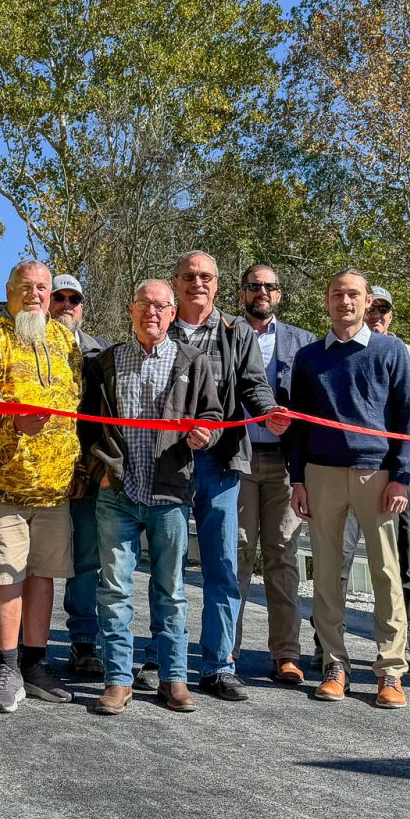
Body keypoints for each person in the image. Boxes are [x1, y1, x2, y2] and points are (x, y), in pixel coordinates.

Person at [79, 280, 222, 716]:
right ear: (131, 308)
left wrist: (206, 434)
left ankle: (174, 679)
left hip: (170, 494)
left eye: (161, 306)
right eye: (145, 304)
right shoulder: (106, 361)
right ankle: (118, 681)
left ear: (173, 313)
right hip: (118, 493)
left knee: (171, 592)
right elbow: (86, 423)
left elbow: (214, 416)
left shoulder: (192, 361)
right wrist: (100, 470)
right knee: (114, 590)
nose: (153, 313)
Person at [287, 269, 410, 709]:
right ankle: (334, 663)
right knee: (325, 573)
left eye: (353, 295)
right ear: (326, 301)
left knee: (386, 573)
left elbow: (407, 416)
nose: (345, 302)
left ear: (367, 303)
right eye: (337, 294)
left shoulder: (390, 349)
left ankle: (390, 670)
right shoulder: (309, 358)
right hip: (322, 473)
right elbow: (300, 424)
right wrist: (299, 479)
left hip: (377, 474)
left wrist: (401, 474)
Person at [0, 261, 83, 712]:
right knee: (7, 575)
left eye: (43, 288)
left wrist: (78, 468)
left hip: (54, 488)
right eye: (26, 287)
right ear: (10, 290)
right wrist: (14, 417)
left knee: (43, 574)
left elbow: (77, 400)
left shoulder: (62, 338)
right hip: (1, 484)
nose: (35, 295)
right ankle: (7, 665)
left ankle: (35, 663)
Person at [167, 251, 281, 702]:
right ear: (176, 282)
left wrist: (269, 412)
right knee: (168, 565)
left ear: (218, 285)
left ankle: (218, 665)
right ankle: (167, 660)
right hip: (169, 463)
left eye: (206, 277)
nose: (198, 283)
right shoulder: (159, 326)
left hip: (223, 463)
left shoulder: (236, 333)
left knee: (222, 566)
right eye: (190, 276)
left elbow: (253, 385)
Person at [230, 263, 316, 685]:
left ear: (279, 295)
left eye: (269, 287)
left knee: (283, 556)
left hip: (285, 465)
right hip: (239, 459)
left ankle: (286, 653)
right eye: (253, 286)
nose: (261, 292)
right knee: (239, 554)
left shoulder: (303, 343)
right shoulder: (226, 335)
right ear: (241, 292)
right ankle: (226, 651)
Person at [356, 284, 410, 674]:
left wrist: (402, 472)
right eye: (372, 307)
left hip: (400, 474)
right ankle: (325, 645)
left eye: (384, 309)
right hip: (352, 472)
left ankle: (400, 644)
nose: (377, 316)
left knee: (400, 560)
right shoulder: (339, 349)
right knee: (337, 560)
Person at [50, 273, 112, 681]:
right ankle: (25, 645)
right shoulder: (21, 346)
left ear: (83, 307)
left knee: (88, 562)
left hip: (85, 473)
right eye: (59, 297)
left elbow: (107, 418)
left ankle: (83, 643)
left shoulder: (101, 354)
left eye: (75, 299)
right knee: (28, 564)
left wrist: (91, 467)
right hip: (34, 475)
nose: (67, 304)